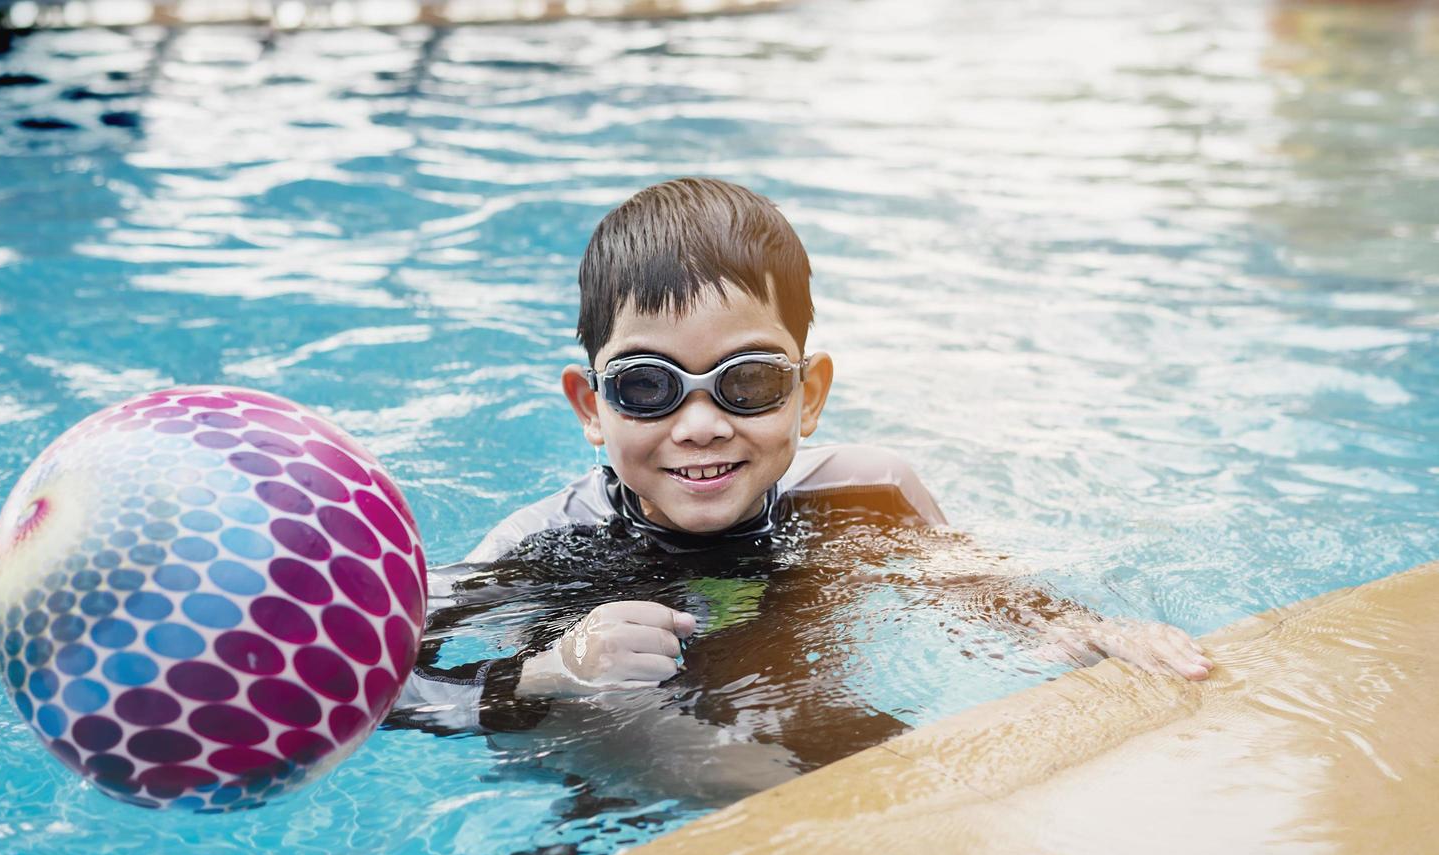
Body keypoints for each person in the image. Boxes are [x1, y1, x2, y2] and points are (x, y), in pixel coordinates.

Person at [390, 177, 1212, 744]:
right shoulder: (540, 546)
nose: (701, 424)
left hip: (805, 728)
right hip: (613, 788)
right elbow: (372, 688)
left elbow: (991, 600)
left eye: (747, 381)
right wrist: (547, 674)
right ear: (590, 408)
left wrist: (1080, 626)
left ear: (808, 394)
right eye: (649, 386)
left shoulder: (871, 495)